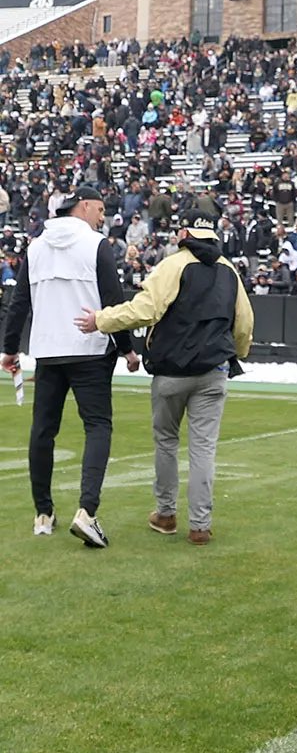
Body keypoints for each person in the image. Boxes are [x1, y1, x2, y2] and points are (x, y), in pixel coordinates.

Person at [74, 210, 253, 546]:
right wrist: (237, 353)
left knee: (166, 442)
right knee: (203, 449)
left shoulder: (173, 265)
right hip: (213, 371)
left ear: (183, 232)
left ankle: (166, 514)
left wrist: (101, 320)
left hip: (172, 371)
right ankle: (200, 525)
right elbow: (243, 322)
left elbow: (146, 310)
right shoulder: (230, 272)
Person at [0, 185, 139, 546]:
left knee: (43, 430)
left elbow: (19, 304)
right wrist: (127, 349)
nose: (103, 215)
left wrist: (10, 349)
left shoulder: (36, 246)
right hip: (90, 350)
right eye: (100, 208)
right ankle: (86, 511)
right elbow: (113, 301)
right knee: (98, 427)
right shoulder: (96, 245)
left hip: (48, 351)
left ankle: (43, 513)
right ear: (85, 207)